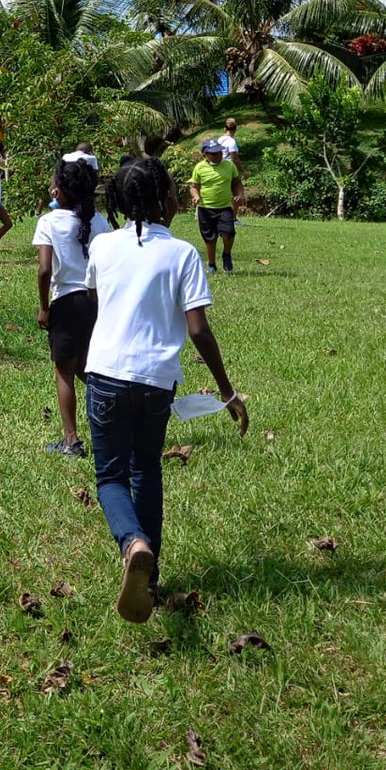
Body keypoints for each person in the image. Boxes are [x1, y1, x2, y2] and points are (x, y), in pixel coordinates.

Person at [84, 156, 248, 623]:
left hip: (106, 376)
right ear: (165, 201)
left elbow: (99, 304)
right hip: (156, 383)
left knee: (111, 477)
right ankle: (149, 575)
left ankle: (132, 544)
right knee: (146, 471)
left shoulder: (102, 246)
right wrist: (227, 392)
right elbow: (198, 330)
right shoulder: (182, 254)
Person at [33, 158, 110, 457]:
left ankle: (71, 441)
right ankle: (117, 413)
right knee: (86, 366)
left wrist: (43, 307)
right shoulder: (100, 221)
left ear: (60, 191)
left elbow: (43, 270)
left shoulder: (49, 222)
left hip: (65, 301)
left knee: (64, 371)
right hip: (96, 300)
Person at [188, 139, 245, 272]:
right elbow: (194, 186)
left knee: (229, 233)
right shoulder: (199, 168)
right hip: (205, 209)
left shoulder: (229, 165)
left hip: (224, 207)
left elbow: (237, 183)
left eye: (219, 152)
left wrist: (240, 194)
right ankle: (212, 265)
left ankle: (226, 255)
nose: (217, 155)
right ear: (205, 154)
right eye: (213, 153)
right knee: (210, 238)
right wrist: (196, 196)